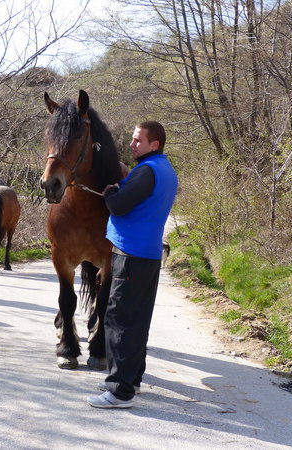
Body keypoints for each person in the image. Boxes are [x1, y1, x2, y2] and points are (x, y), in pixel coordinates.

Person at [87, 121, 178, 409]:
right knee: (137, 321)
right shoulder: (166, 170)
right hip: (148, 256)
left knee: (119, 320)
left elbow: (118, 206)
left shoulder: (146, 171)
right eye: (133, 138)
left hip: (131, 256)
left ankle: (119, 391)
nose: (131, 144)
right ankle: (133, 379)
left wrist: (111, 192)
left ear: (155, 144)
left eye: (138, 140)